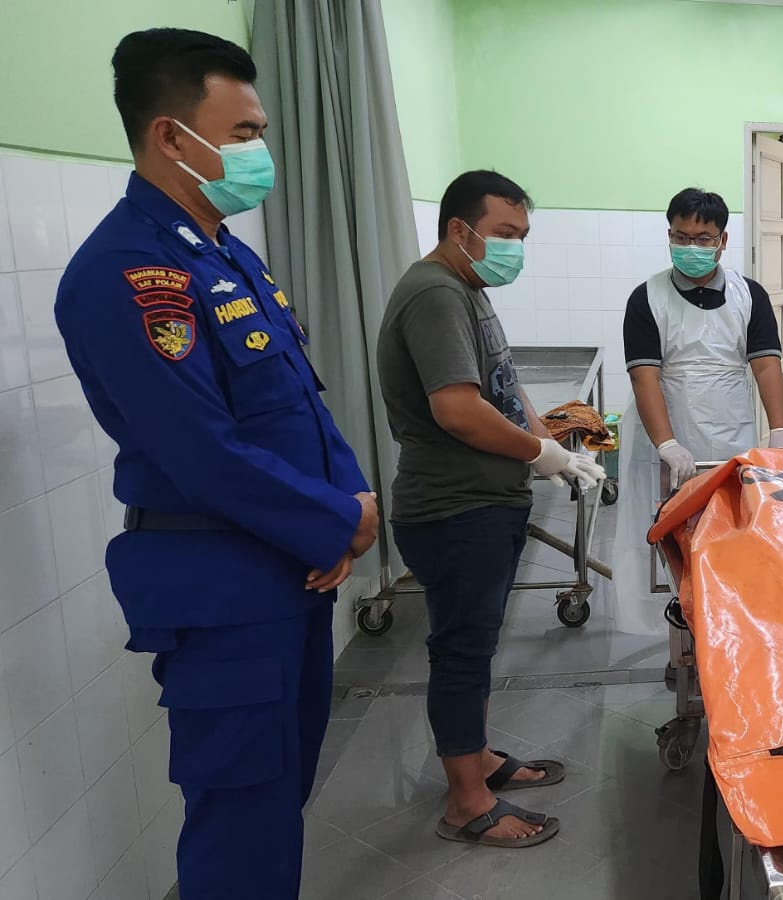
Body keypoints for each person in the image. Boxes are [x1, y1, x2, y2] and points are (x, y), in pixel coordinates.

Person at [53, 29, 380, 898]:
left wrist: (351, 498)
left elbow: (297, 399)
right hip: (223, 587)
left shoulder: (222, 252)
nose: (258, 151)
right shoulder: (129, 271)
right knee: (242, 823)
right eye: (243, 133)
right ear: (171, 135)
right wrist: (335, 521)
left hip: (284, 568)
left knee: (278, 801)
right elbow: (201, 448)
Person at [376, 170, 606, 849]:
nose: (515, 249)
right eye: (505, 233)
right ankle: (466, 803)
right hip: (455, 510)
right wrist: (539, 453)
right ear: (460, 229)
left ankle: (474, 759)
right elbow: (457, 408)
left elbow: (503, 387)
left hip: (484, 503)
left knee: (475, 647)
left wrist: (551, 443)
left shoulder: (468, 289)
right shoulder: (434, 293)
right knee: (461, 652)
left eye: (523, 236)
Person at [612, 187, 783, 640]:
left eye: (702, 238)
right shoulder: (647, 298)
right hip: (668, 434)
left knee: (732, 535)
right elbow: (645, 378)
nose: (691, 247)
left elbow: (766, 366)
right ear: (669, 236)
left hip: (732, 430)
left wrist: (781, 431)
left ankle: (731, 637)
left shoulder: (749, 295)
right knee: (673, 541)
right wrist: (667, 443)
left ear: (722, 241)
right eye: (681, 237)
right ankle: (682, 636)